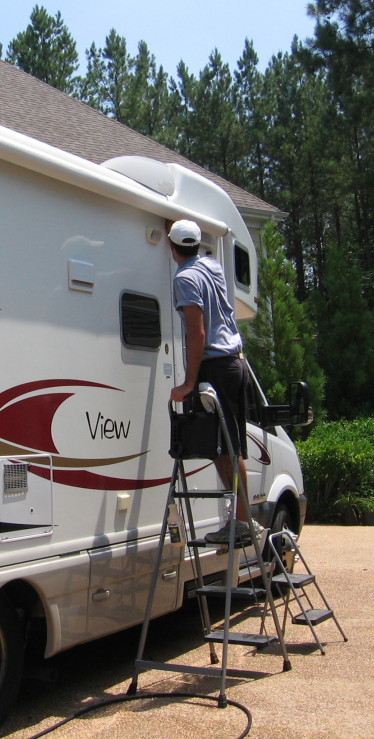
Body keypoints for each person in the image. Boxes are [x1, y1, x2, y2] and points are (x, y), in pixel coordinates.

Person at [167, 219, 260, 544]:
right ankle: (243, 520)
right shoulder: (212, 265)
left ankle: (243, 522)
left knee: (226, 449)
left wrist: (189, 382)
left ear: (171, 246)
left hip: (215, 367)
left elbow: (197, 331)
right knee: (226, 447)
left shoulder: (185, 278)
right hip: (234, 363)